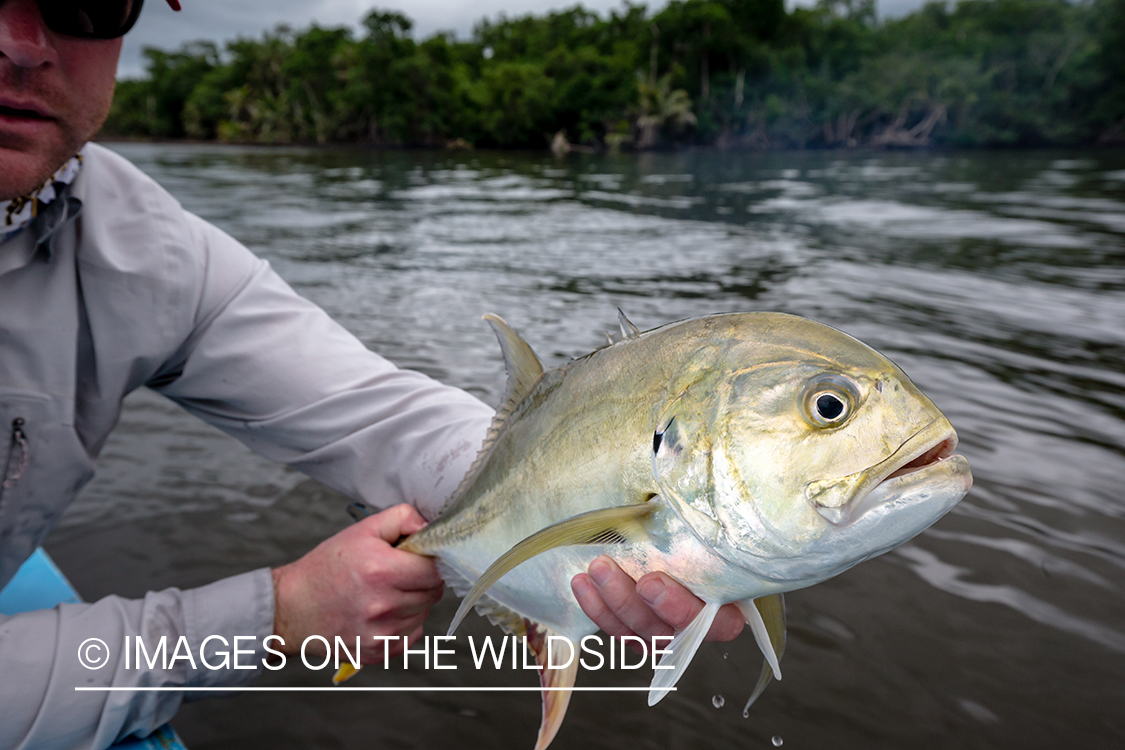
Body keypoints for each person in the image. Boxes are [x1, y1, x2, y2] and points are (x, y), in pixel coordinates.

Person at [0, 0, 744, 746]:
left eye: (86, 0)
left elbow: (374, 413)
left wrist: (584, 490)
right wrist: (277, 615)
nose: (24, 43)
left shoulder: (147, 245)